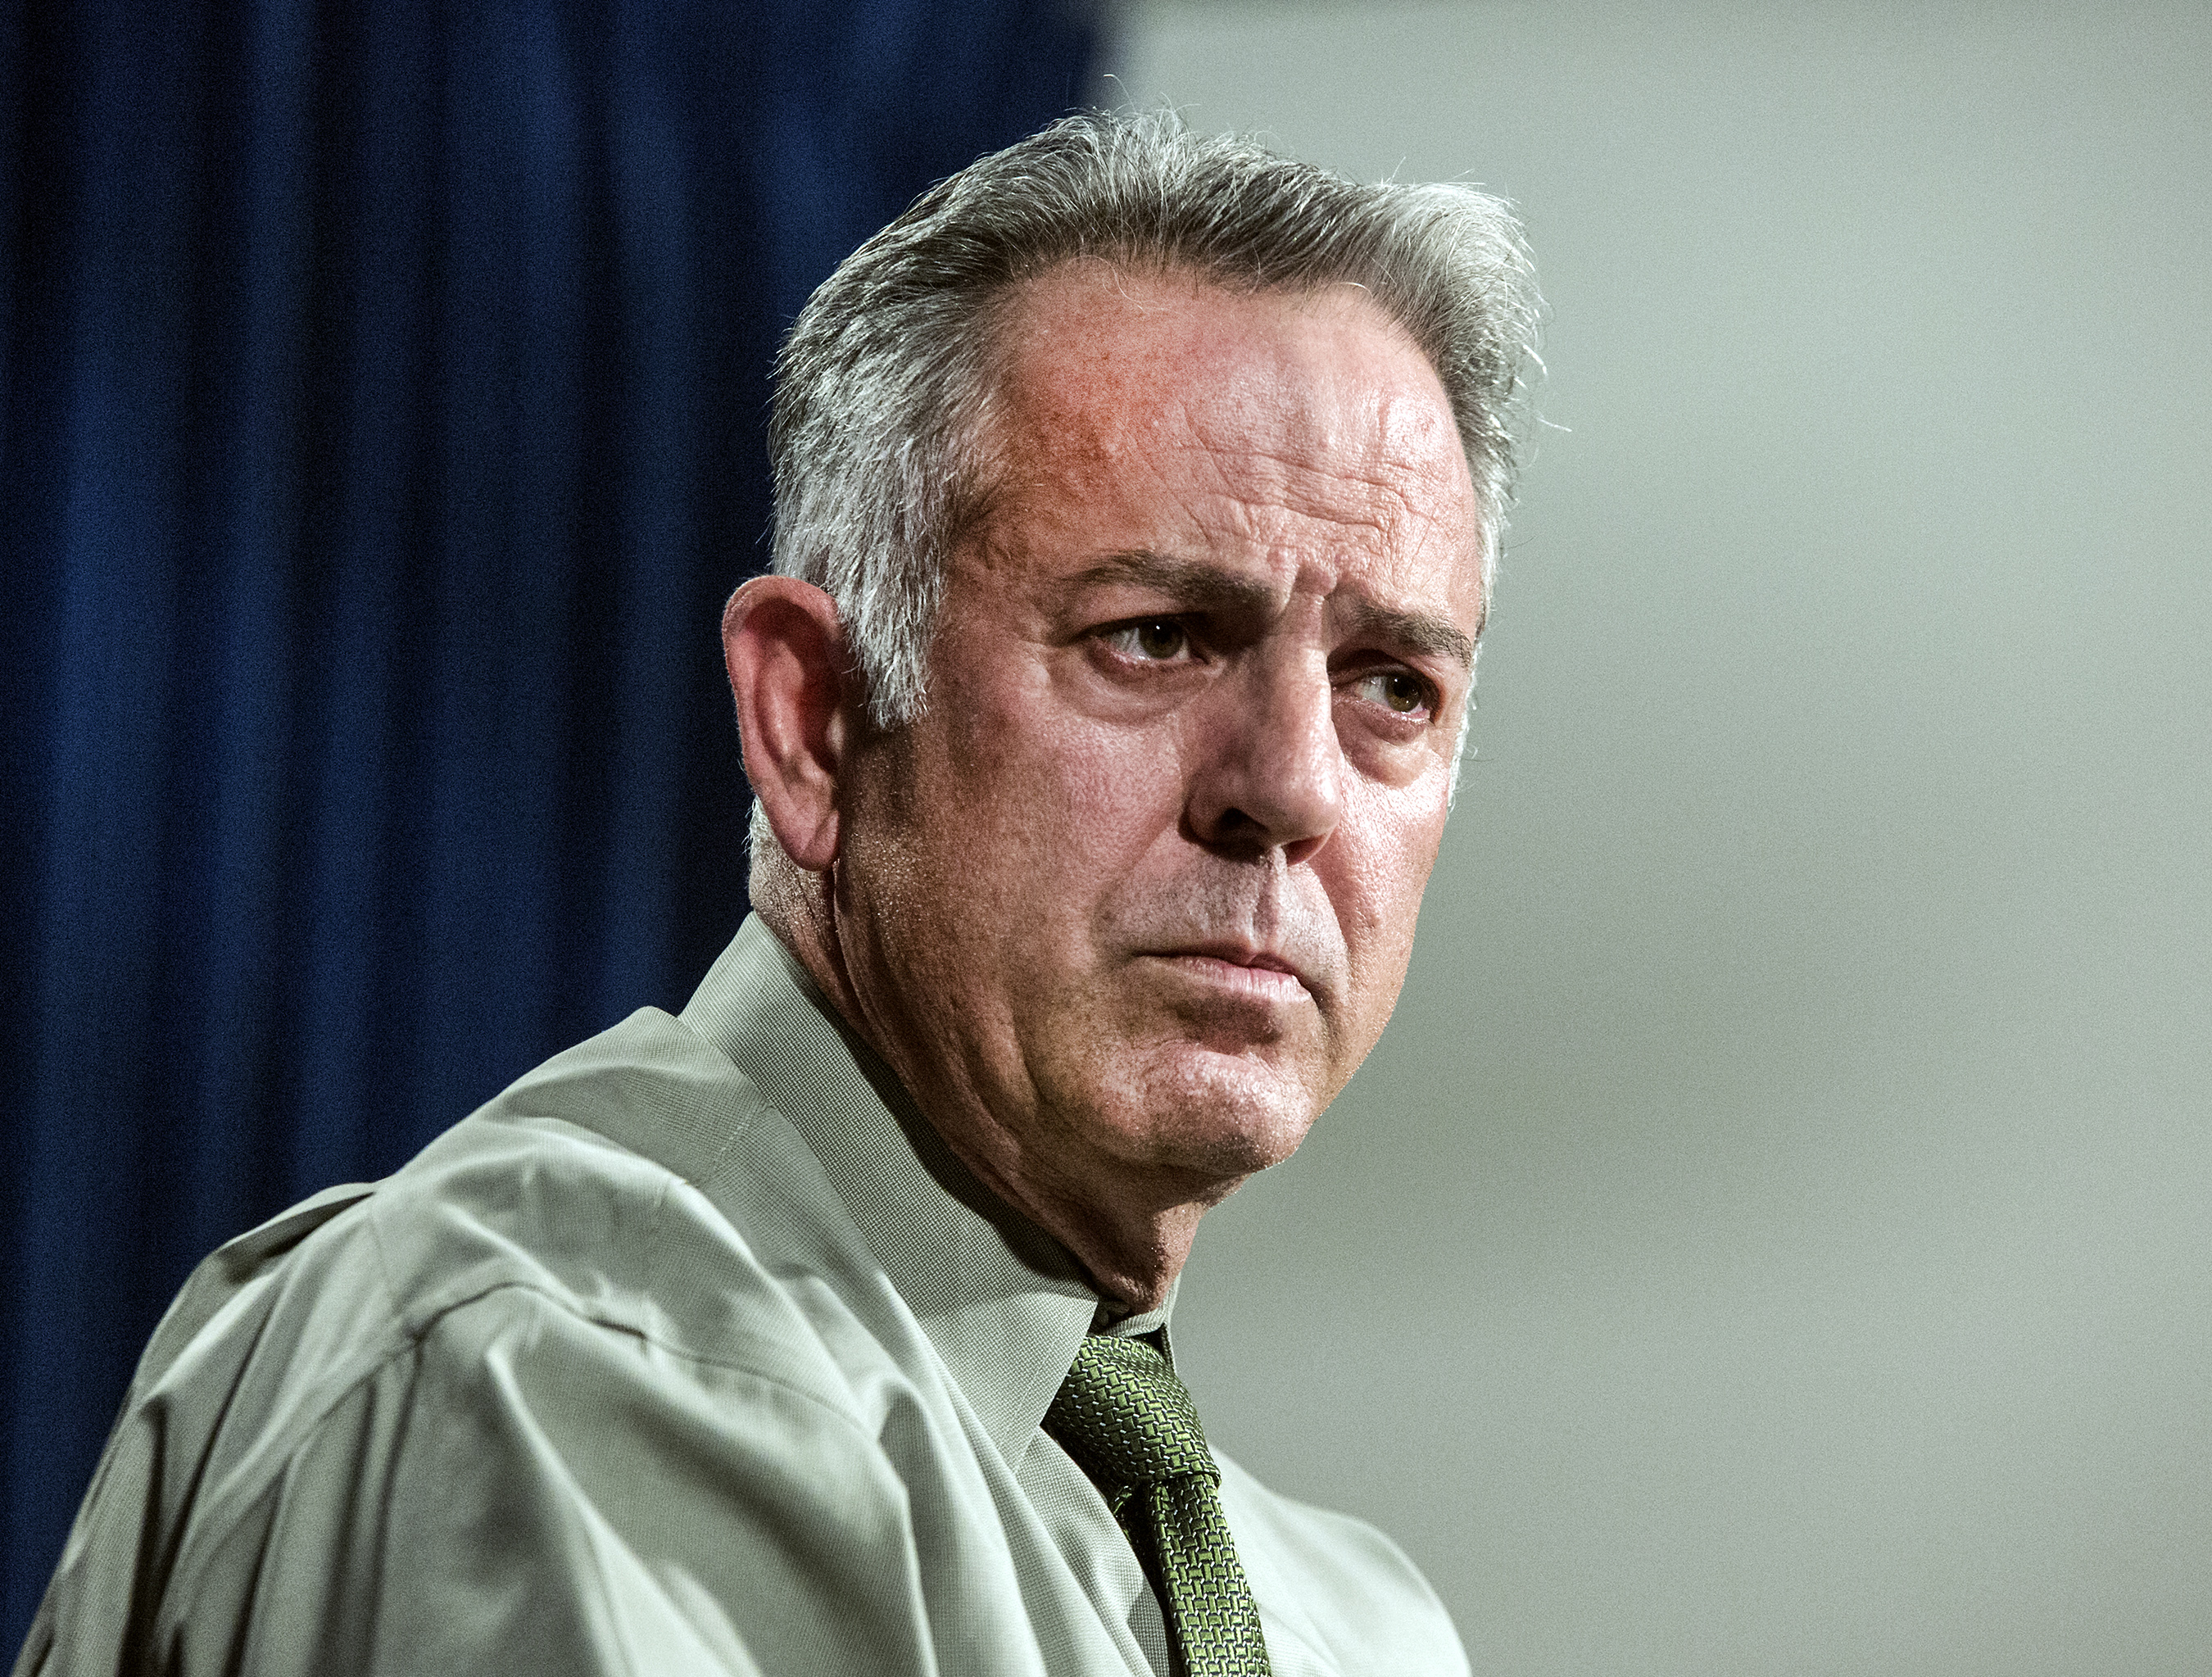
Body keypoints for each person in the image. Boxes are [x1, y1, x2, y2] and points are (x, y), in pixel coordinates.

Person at [16, 111, 1540, 1677]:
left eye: (1391, 684)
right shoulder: (553, 1368)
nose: (1288, 788)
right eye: (1154, 636)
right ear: (813, 723)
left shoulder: (1354, 1625)